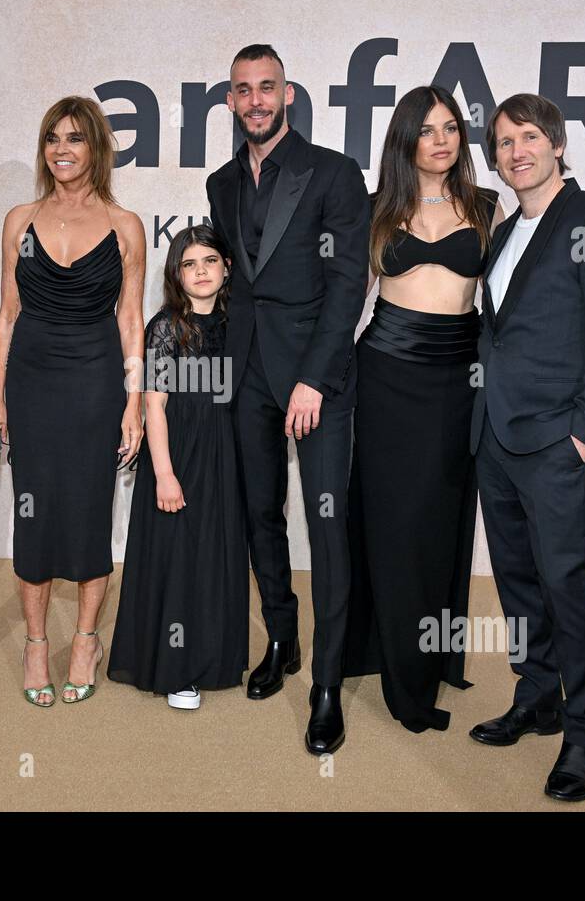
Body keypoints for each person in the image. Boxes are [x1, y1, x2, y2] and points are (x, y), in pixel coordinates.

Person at [469, 93, 585, 801]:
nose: (516, 151)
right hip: (497, 437)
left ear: (559, 144)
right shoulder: (505, 231)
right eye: (504, 142)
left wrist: (584, 434)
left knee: (566, 585)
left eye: (529, 137)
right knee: (517, 583)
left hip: (554, 443)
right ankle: (537, 694)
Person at [205, 45, 370, 754]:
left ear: (289, 94)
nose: (255, 100)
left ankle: (327, 685)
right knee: (258, 514)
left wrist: (312, 375)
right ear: (232, 101)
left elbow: (348, 284)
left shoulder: (334, 172)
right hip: (244, 372)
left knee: (326, 528)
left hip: (316, 376)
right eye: (243, 90)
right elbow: (227, 283)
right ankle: (282, 638)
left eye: (266, 87)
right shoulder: (220, 183)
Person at [344, 86, 505, 732]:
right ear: (406, 138)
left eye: (450, 129)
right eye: (426, 129)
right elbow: (346, 300)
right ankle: (386, 662)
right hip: (384, 375)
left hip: (456, 381)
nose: (440, 140)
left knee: (437, 522)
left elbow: (512, 302)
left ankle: (429, 655)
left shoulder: (489, 208)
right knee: (387, 517)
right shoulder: (375, 209)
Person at [0, 96, 145, 707]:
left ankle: (84, 638)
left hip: (97, 380)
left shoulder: (124, 224)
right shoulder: (19, 219)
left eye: (75, 139)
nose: (62, 150)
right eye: (52, 138)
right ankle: (34, 642)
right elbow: (6, 317)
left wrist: (132, 404)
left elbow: (131, 319)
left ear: (96, 148)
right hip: (30, 380)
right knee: (32, 516)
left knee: (87, 510)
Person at [108, 225, 248, 710]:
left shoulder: (239, 322)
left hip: (225, 451)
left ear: (227, 267)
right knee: (179, 554)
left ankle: (215, 658)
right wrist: (164, 474)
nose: (201, 271)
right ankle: (175, 669)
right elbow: (155, 406)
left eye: (210, 260)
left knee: (217, 551)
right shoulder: (167, 327)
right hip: (179, 453)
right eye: (189, 264)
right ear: (176, 275)